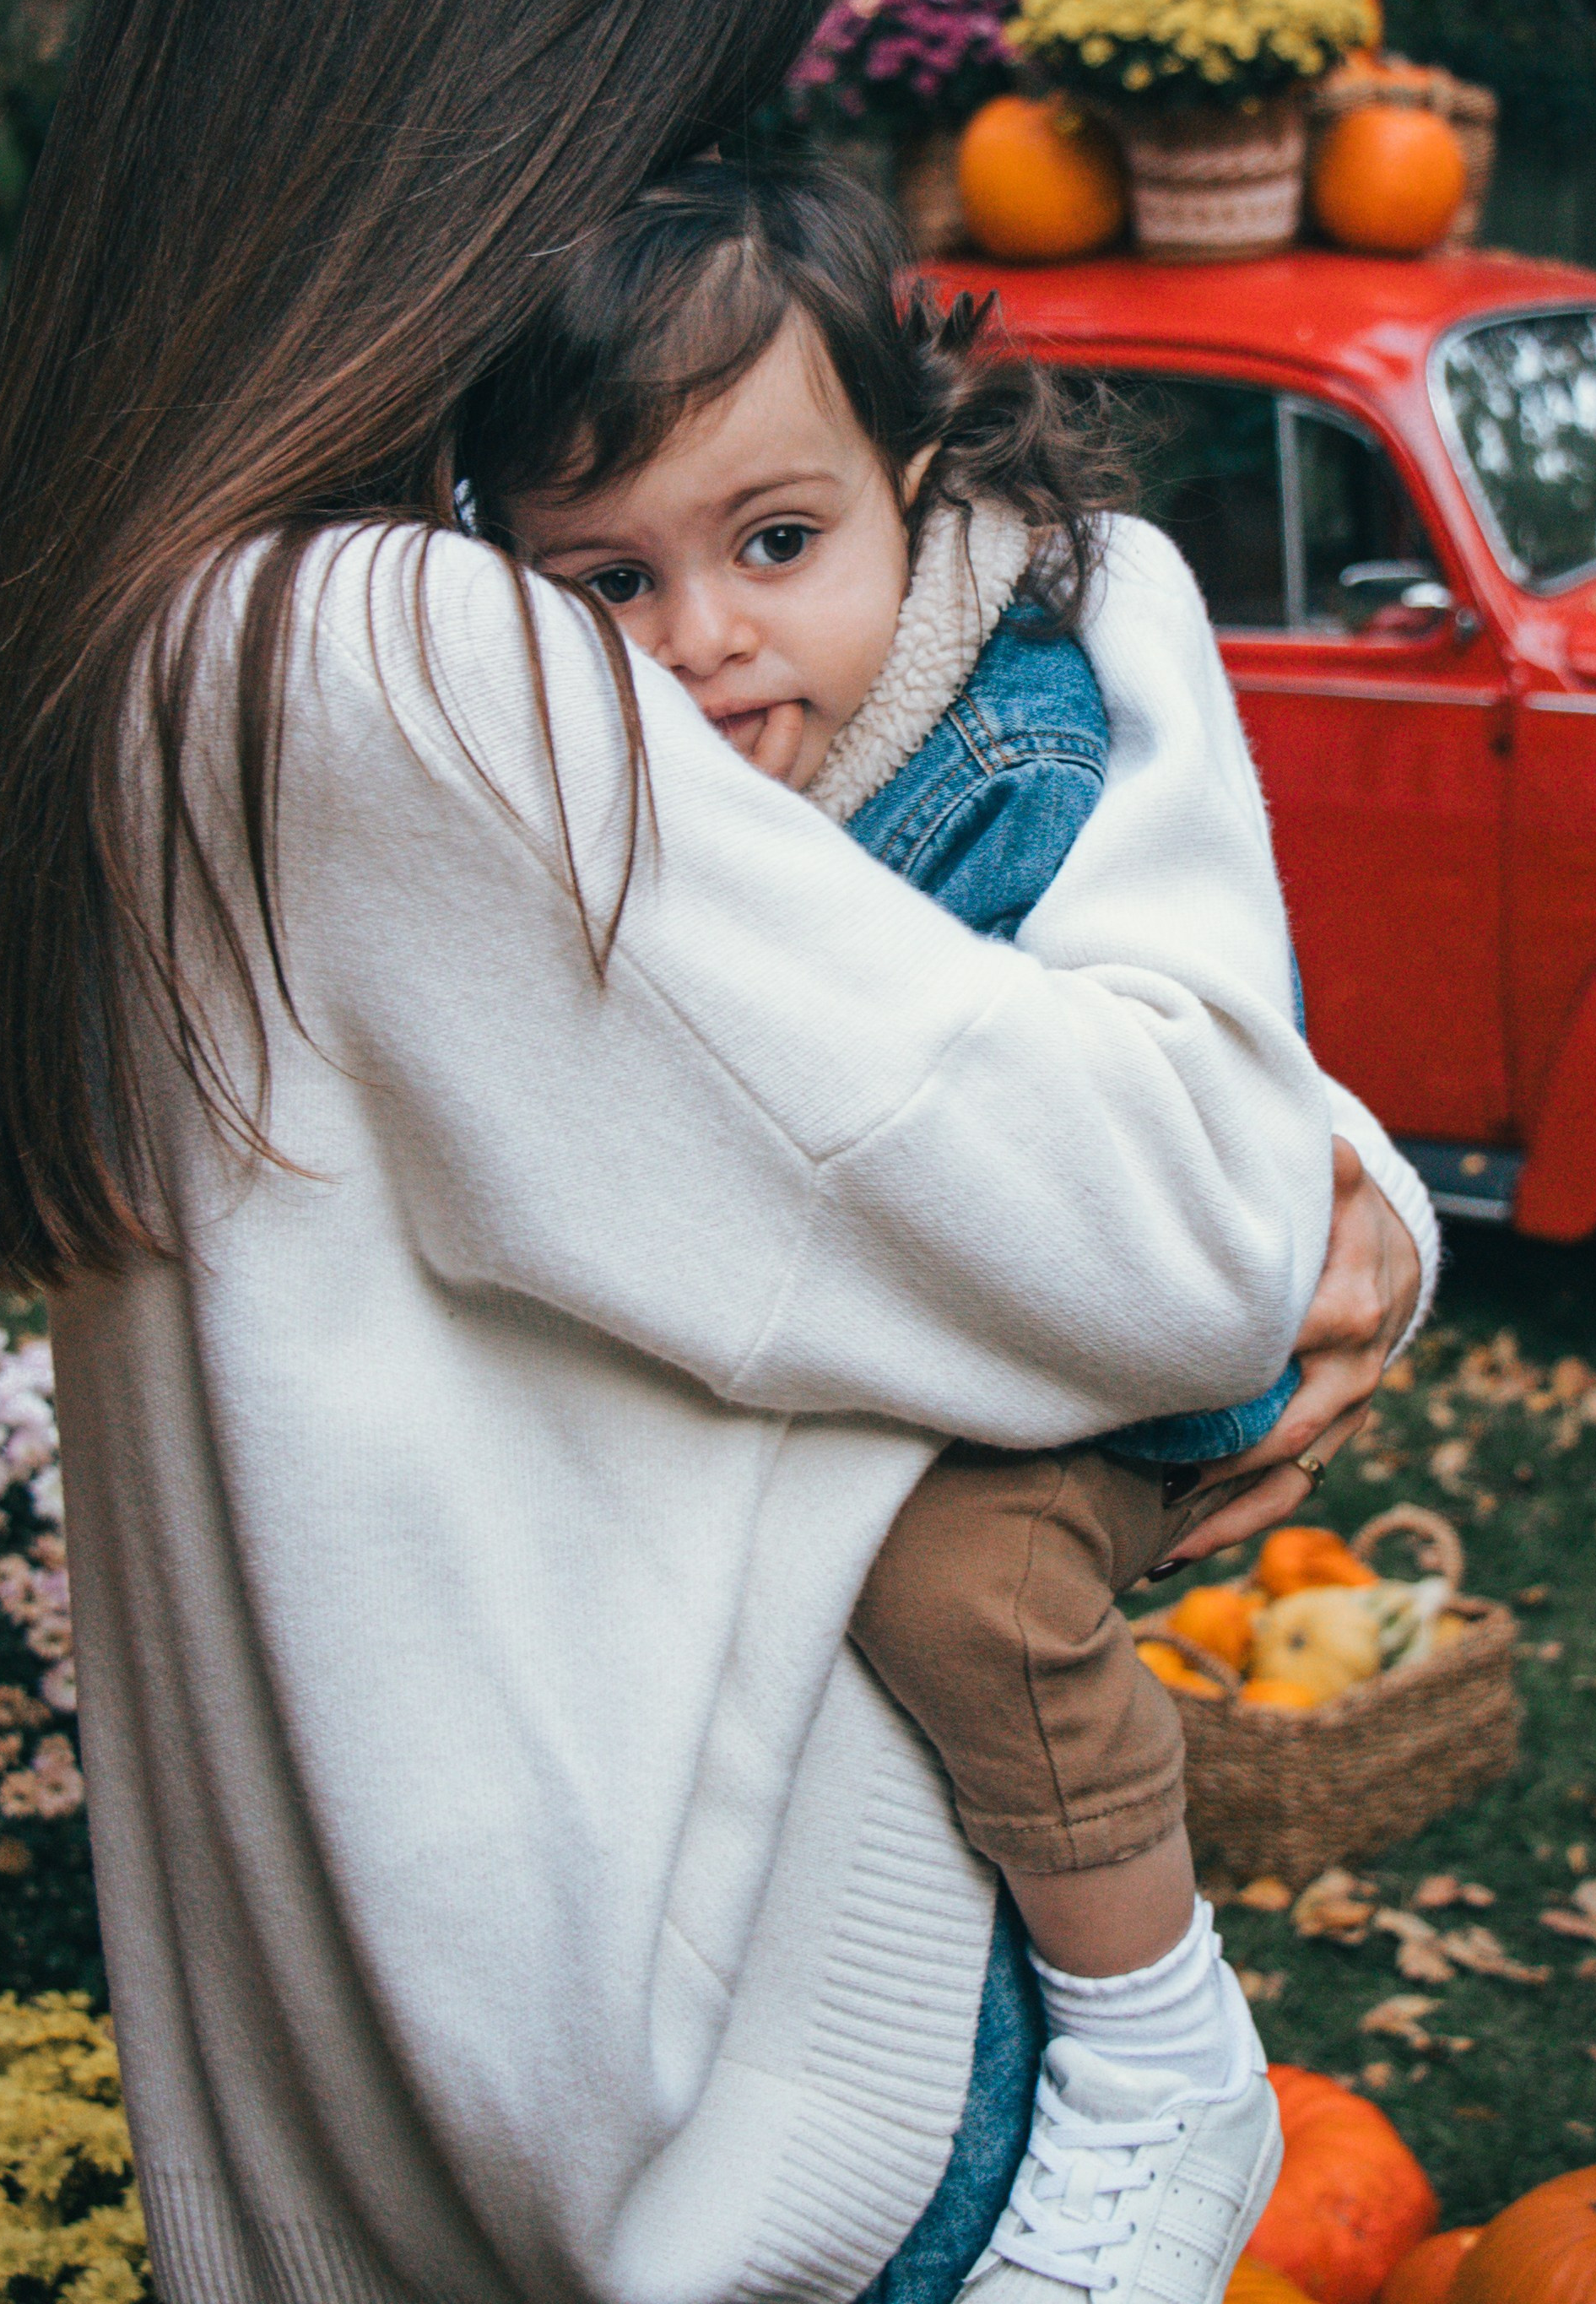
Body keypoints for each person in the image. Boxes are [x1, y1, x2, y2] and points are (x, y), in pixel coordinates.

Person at [0, 0, 1423, 2304]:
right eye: (673, 95)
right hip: (716, 2157)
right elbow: (1178, 1234)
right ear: (503, 89)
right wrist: (1338, 1183)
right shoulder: (388, 663)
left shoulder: (134, 648)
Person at [469, 155, 1437, 2301]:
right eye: (605, 581)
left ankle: (1155, 2038)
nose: (705, 639)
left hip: (1112, 1342)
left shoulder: (1010, 724)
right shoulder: (566, 778)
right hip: (920, 1346)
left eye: (776, 544)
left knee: (960, 1585)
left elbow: (1165, 1103)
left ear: (909, 481)